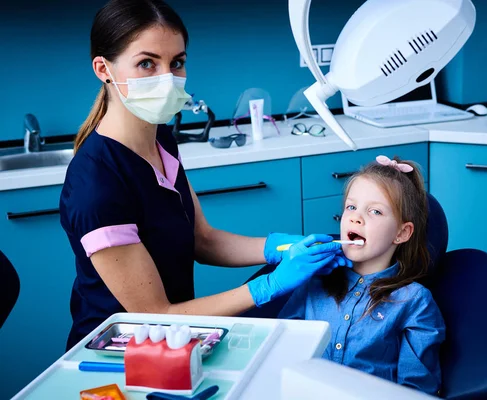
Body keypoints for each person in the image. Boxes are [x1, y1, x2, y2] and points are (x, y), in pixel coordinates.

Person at [59, 0, 346, 351]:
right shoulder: (97, 184)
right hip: (119, 356)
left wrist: (283, 247)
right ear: (103, 69)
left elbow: (203, 240)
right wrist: (266, 287)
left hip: (175, 339)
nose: (167, 78)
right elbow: (157, 313)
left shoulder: (160, 137)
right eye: (147, 63)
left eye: (176, 63)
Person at [278, 155, 446, 396]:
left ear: (401, 233)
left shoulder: (414, 302)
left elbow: (416, 390)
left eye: (375, 211)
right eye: (351, 207)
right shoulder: (315, 281)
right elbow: (284, 348)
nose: (356, 217)